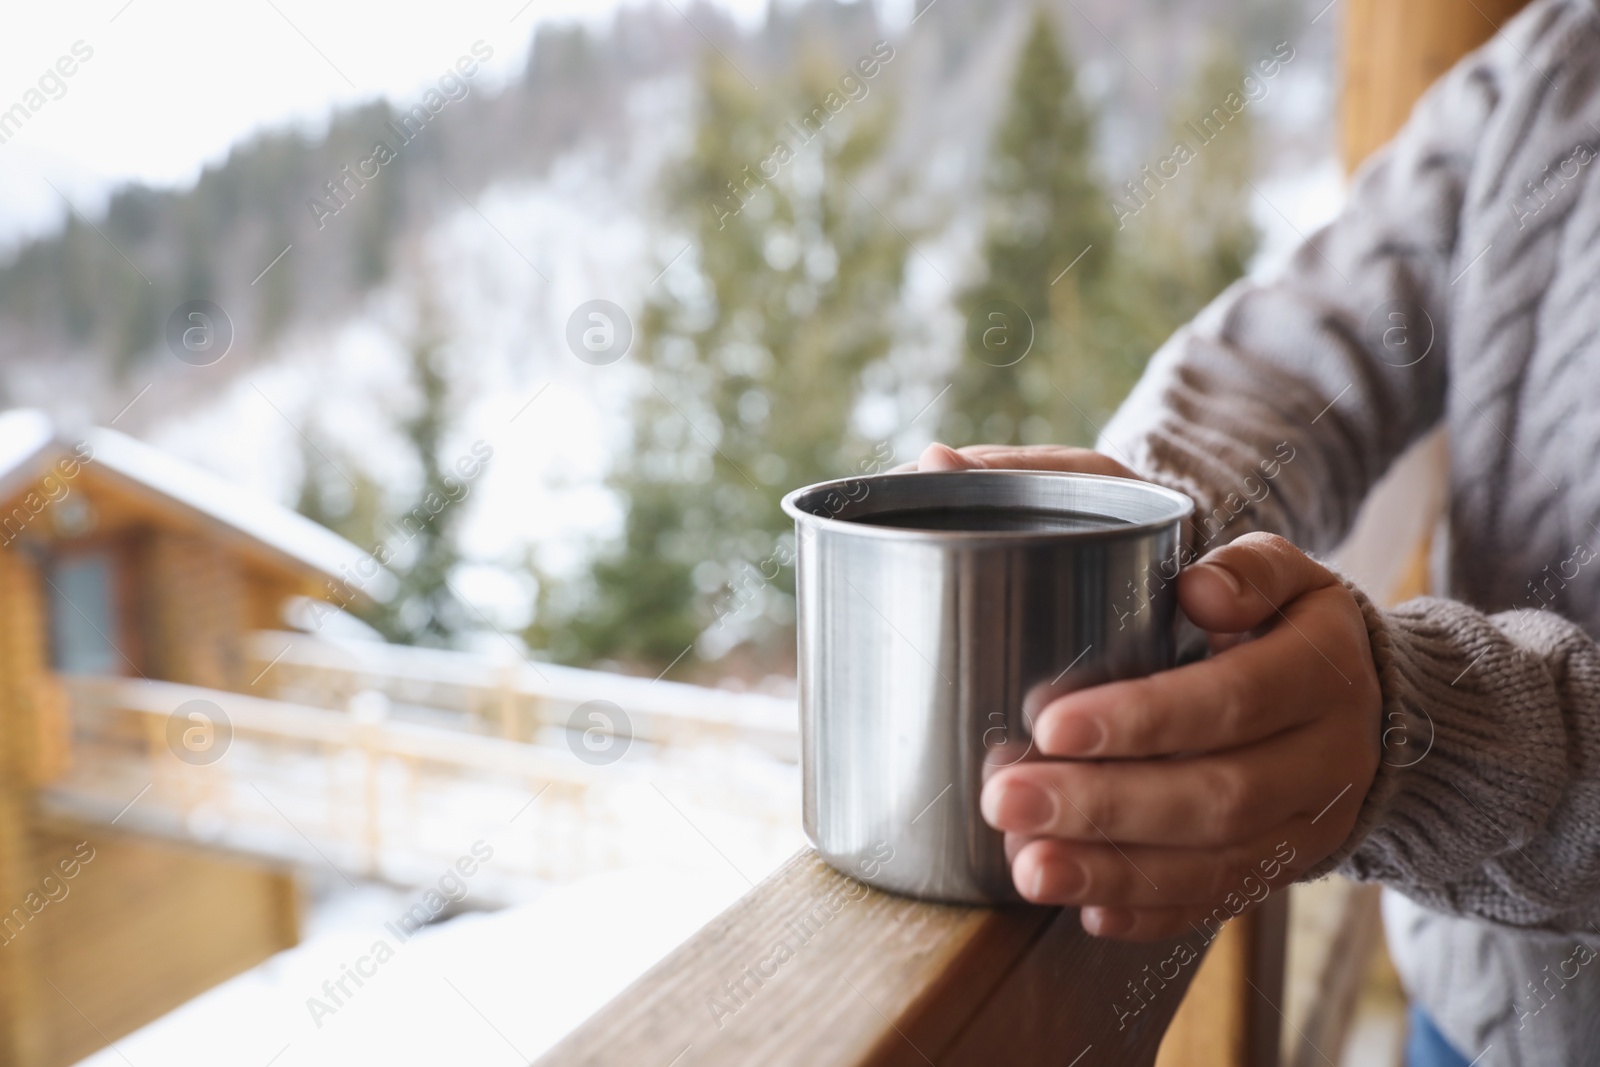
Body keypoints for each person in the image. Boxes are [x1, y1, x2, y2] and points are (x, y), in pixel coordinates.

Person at [915, 2, 1600, 1064]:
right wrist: (1157, 519)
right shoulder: (1560, 56)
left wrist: (1436, 741)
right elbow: (1299, 352)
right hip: (1463, 1016)